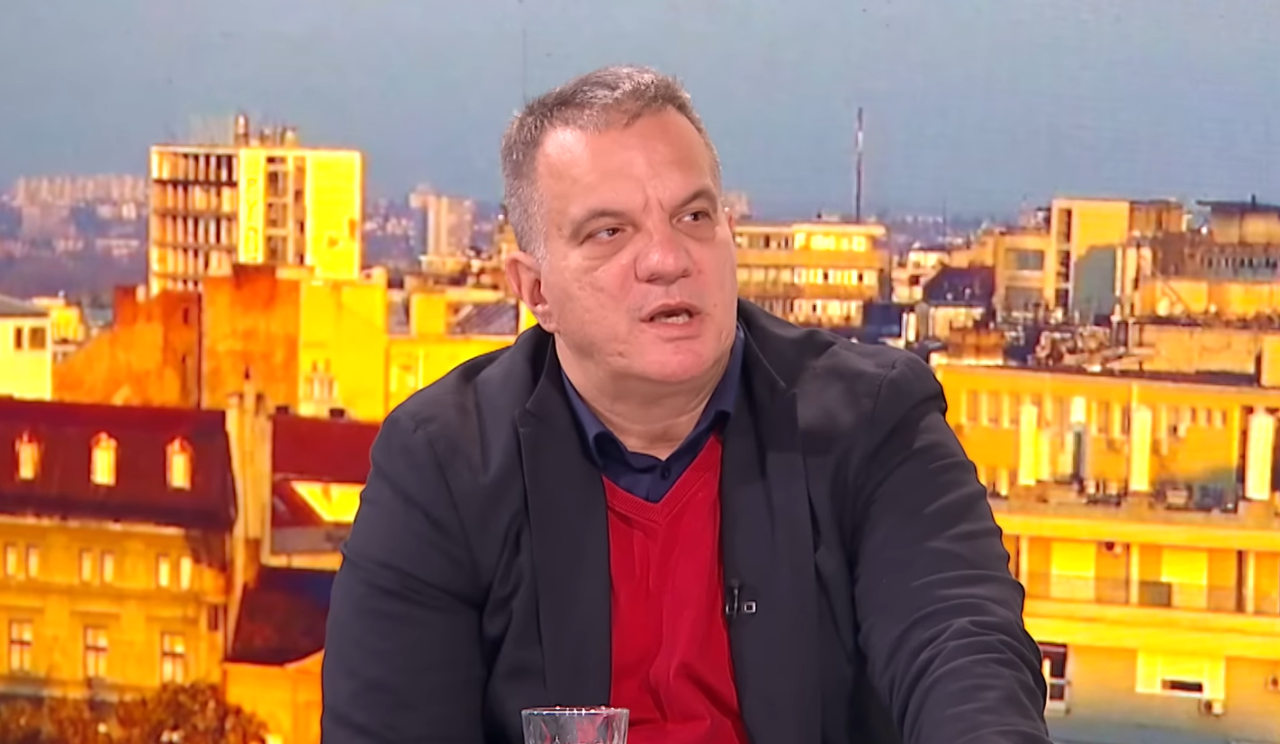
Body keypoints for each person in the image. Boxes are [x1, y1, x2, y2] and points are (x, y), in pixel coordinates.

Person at [321, 65, 1052, 744]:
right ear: (535, 289)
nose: (668, 260)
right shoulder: (443, 464)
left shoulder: (873, 422)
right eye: (610, 233)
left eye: (694, 217)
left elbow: (963, 649)